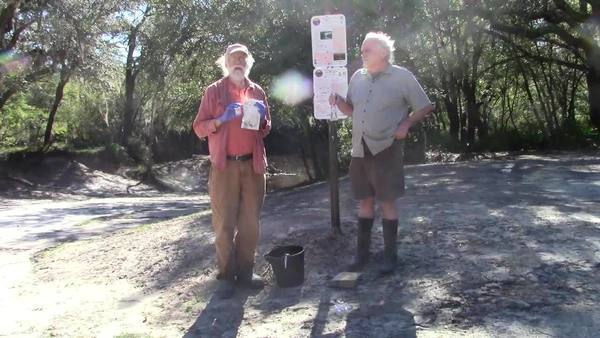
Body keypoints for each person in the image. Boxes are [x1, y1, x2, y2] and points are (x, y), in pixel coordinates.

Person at [330, 32, 434, 274]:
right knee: (364, 201)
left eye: (368, 50)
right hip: (360, 148)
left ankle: (390, 258)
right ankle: (362, 257)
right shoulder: (357, 77)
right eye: (363, 49)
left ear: (383, 53)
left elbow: (426, 105)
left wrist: (406, 124)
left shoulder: (401, 76)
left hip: (386, 148)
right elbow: (351, 111)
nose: (362, 53)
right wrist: (338, 101)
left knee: (387, 201)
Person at [193, 43, 271, 298]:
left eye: (243, 57)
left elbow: (265, 128)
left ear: (249, 62)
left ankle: (246, 273)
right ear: (225, 63)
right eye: (233, 58)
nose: (238, 61)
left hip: (253, 165)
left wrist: (262, 119)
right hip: (224, 166)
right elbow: (199, 127)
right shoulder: (213, 91)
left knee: (250, 223)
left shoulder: (257, 90)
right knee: (224, 222)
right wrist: (219, 119)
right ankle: (226, 276)